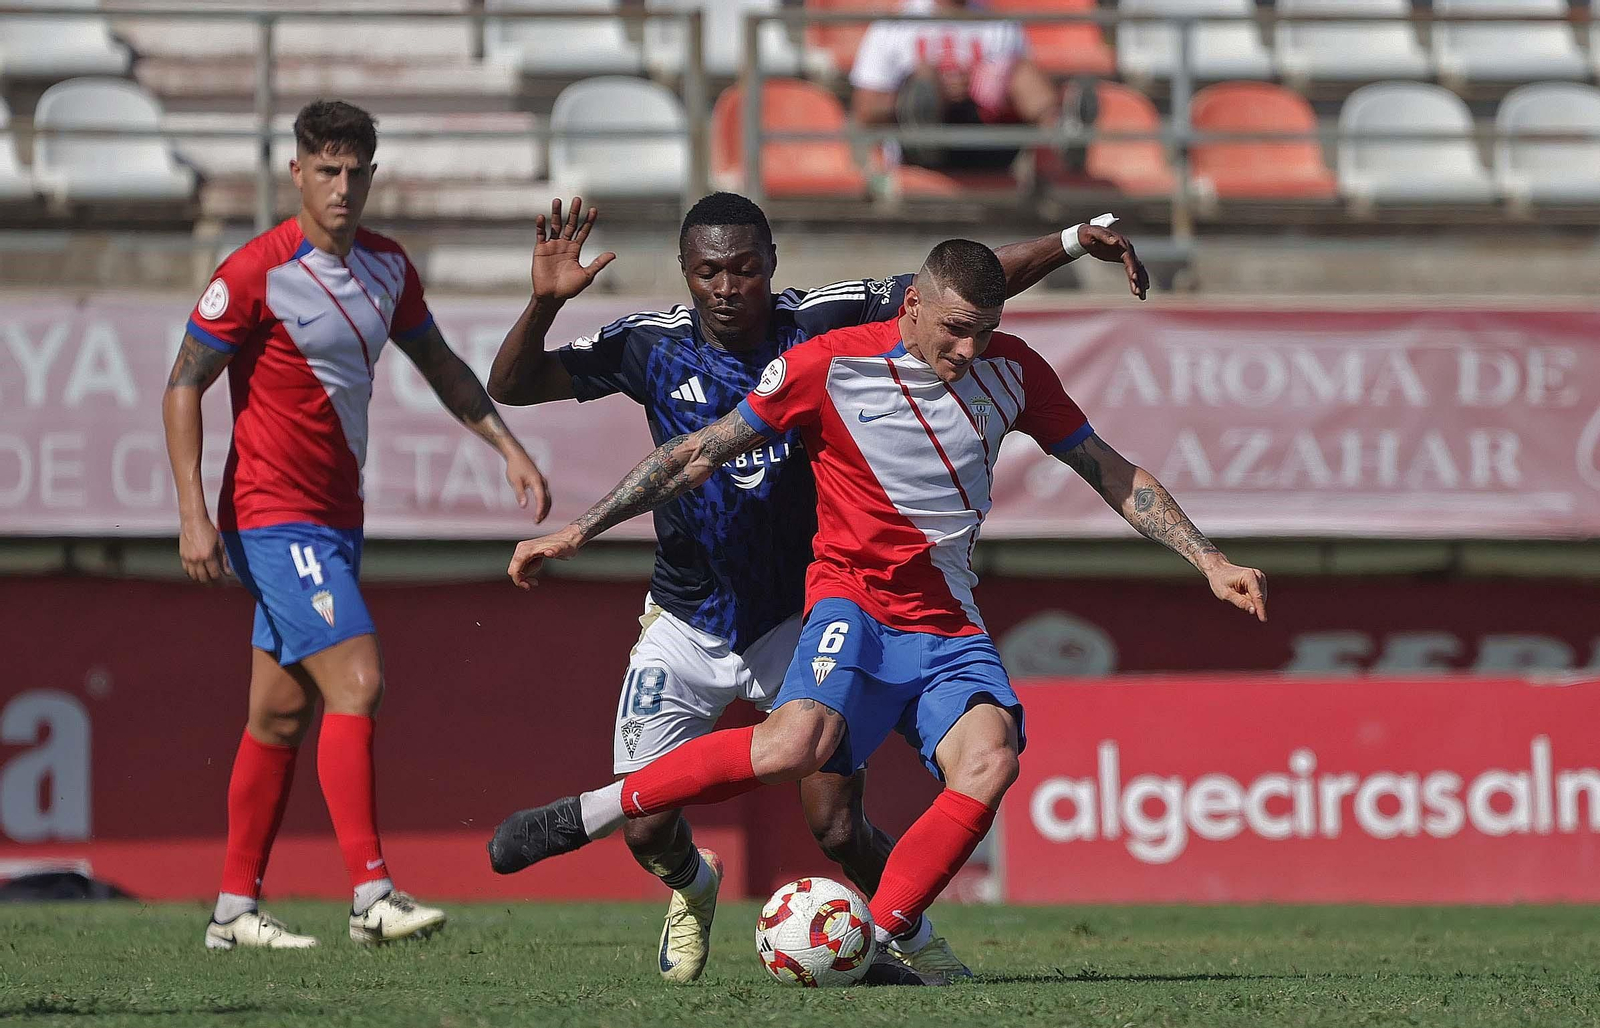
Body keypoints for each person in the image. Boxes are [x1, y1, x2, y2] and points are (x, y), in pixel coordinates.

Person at [488, 239, 1267, 978]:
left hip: (948, 622)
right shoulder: (826, 364)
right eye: (956, 331)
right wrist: (579, 529)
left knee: (991, 761)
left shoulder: (1015, 372)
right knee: (791, 748)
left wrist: (1208, 558)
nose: (970, 351)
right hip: (848, 607)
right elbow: (697, 451)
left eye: (986, 333)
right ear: (914, 305)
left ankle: (878, 941)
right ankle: (589, 812)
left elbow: (1109, 468)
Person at [162, 100, 551, 950]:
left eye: (354, 172)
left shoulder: (386, 266)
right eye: (325, 171)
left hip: (339, 516)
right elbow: (184, 383)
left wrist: (507, 446)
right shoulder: (256, 271)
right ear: (295, 174)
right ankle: (371, 895)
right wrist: (193, 513)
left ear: (372, 176)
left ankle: (232, 911)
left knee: (277, 716)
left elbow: (441, 363)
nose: (341, 187)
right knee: (359, 682)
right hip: (270, 515)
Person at [850, 0, 1077, 173]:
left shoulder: (1000, 24)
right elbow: (865, 110)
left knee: (1019, 72)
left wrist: (983, 80)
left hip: (989, 135)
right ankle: (923, 119)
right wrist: (934, 88)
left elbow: (1025, 84)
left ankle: (1067, 132)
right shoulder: (896, 24)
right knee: (926, 79)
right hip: (921, 147)